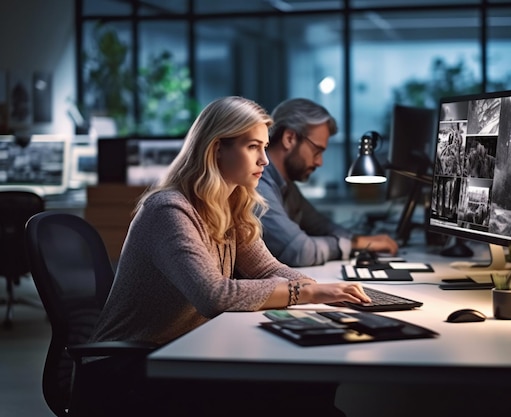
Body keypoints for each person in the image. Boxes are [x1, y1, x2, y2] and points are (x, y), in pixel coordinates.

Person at [86, 96, 370, 417]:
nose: (264, 160)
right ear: (217, 148)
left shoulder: (230, 205)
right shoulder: (169, 210)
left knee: (313, 384)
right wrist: (305, 292)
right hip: (126, 371)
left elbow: (266, 268)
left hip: (182, 353)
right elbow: (214, 296)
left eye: (264, 147)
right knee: (298, 394)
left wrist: (323, 291)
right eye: (253, 147)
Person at [256, 97, 399, 267]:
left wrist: (359, 240)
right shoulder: (259, 184)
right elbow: (300, 251)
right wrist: (355, 244)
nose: (320, 162)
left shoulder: (285, 185)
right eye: (317, 151)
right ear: (289, 138)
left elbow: (321, 225)